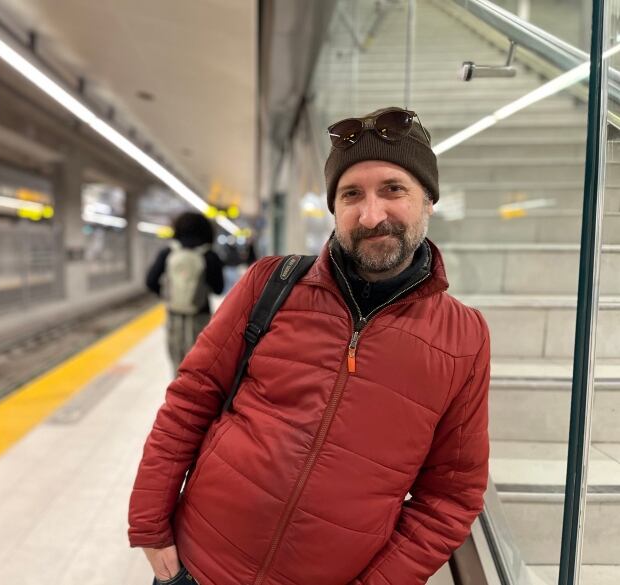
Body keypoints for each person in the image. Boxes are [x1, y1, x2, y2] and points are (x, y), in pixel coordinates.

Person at [130, 107, 491, 585]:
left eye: (393, 189)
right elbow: (191, 399)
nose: (371, 214)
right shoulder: (271, 283)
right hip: (198, 567)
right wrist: (150, 524)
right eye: (351, 195)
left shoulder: (463, 339)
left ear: (429, 201)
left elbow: (452, 495)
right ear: (334, 207)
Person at [146, 212, 224, 369]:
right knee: (201, 364)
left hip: (174, 318)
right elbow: (218, 289)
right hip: (201, 318)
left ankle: (178, 392)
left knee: (177, 365)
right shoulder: (209, 255)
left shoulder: (168, 253)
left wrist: (169, 294)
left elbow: (150, 282)